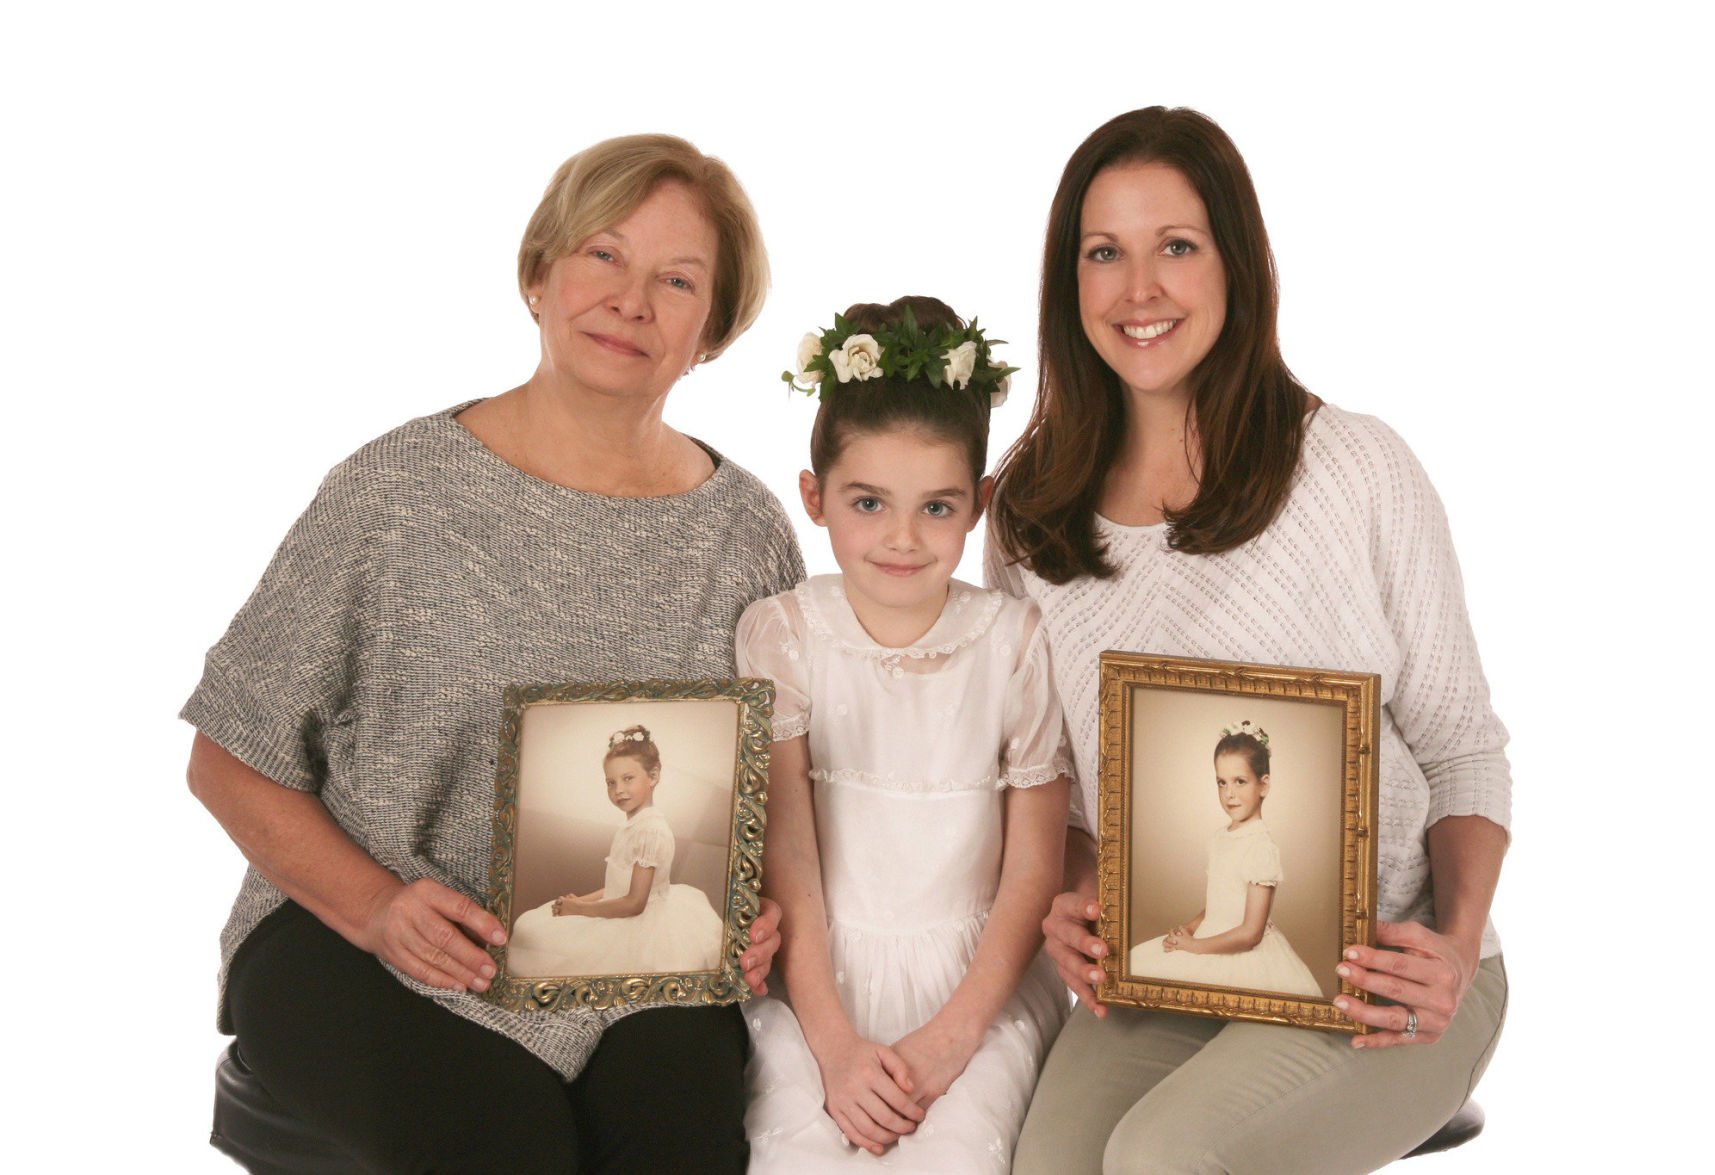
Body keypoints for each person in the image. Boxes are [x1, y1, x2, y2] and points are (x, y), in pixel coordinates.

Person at [183, 133, 802, 1174]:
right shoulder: (393, 492)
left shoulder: (747, 532)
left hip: (635, 960)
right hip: (361, 928)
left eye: (676, 278)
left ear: (711, 329)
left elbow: (765, 784)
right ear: (537, 275)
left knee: (685, 1136)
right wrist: (378, 909)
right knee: (510, 1144)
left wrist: (753, 907)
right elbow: (226, 755)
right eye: (602, 255)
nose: (630, 299)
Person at [987, 107, 1510, 1173]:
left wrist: (1453, 946)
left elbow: (1462, 747)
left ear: (1236, 264)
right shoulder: (1026, 516)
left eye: (1175, 246)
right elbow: (1075, 798)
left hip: (1378, 972)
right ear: (1066, 281)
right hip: (1167, 970)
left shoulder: (1354, 468)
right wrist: (1077, 902)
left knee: (1166, 1157)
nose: (1139, 290)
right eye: (1104, 253)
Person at [736, 297, 1072, 1171]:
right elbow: (790, 859)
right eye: (868, 501)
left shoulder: (1014, 641)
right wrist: (835, 1044)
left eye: (935, 507)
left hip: (978, 980)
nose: (900, 537)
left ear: (978, 505)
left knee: (955, 1157)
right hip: (818, 979)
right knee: (796, 1156)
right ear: (813, 496)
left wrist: (952, 1037)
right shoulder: (782, 632)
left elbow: (1033, 867)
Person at [507, 725, 725, 978]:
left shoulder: (650, 831)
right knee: (532, 924)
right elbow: (618, 885)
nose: (618, 789)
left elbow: (633, 903)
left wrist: (578, 910)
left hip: (637, 922)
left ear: (653, 776)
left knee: (541, 939)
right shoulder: (635, 824)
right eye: (611, 782)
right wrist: (581, 900)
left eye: (628, 778)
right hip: (616, 905)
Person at [1125, 724, 1322, 998]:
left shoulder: (1260, 847)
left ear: (1263, 785)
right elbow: (1222, 900)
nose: (1229, 793)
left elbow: (1251, 933)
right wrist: (1190, 928)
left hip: (1240, 949)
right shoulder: (1219, 838)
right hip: (1208, 935)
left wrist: (1194, 947)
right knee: (1137, 968)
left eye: (1240, 781)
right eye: (1222, 782)